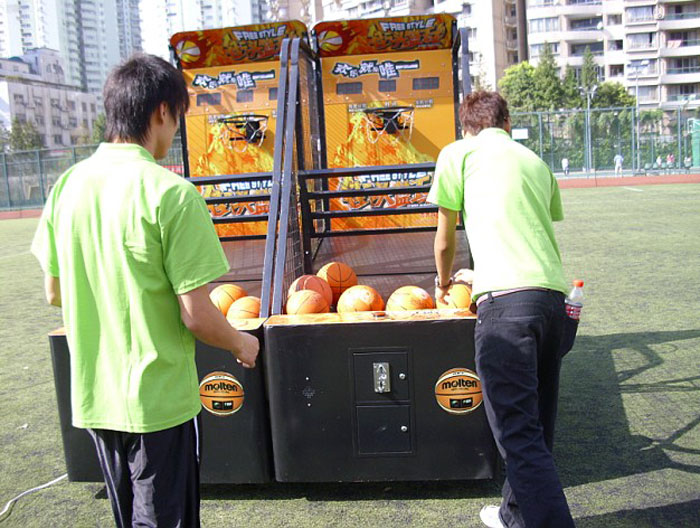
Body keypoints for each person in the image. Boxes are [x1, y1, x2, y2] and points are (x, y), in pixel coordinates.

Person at [31, 54, 259, 527]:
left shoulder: (67, 186)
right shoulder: (171, 193)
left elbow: (54, 292)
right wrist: (241, 343)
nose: (174, 129)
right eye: (178, 117)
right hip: (159, 402)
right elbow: (197, 316)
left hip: (96, 397)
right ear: (162, 111)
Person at [428, 91, 576, 528]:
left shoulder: (458, 153)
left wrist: (443, 282)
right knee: (536, 426)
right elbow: (524, 230)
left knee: (517, 434)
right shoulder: (535, 161)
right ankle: (515, 516)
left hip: (505, 309)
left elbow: (445, 240)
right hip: (552, 301)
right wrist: (484, 272)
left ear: (466, 126)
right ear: (507, 123)